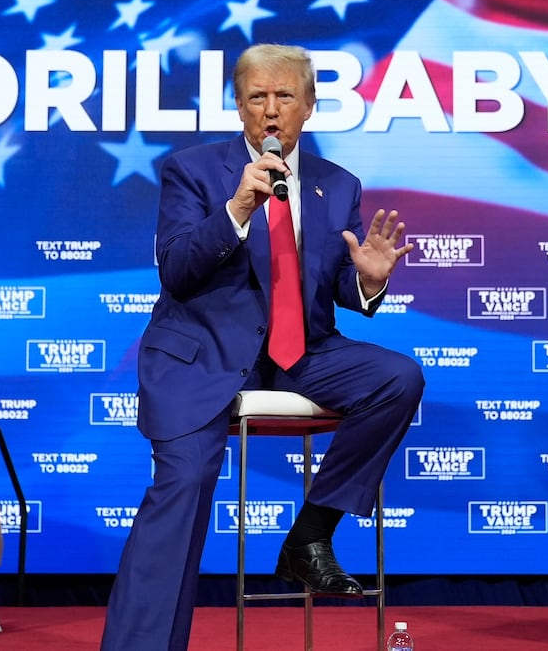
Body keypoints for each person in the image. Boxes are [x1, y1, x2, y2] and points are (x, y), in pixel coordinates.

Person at [100, 43, 425, 651]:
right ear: (239, 106)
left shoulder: (337, 184)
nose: (270, 110)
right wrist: (238, 208)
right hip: (201, 358)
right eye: (257, 97)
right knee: (184, 489)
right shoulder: (193, 171)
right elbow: (176, 270)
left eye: (284, 96)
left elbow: (333, 288)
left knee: (398, 378)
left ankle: (311, 533)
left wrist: (370, 281)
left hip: (300, 357)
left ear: (309, 106)